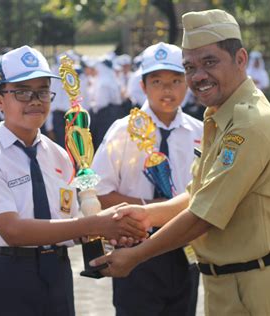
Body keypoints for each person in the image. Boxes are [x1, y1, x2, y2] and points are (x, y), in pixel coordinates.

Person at [91, 9, 270, 315]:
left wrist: (137, 255)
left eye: (209, 62)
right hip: (225, 283)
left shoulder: (248, 122)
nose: (198, 76)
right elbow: (197, 194)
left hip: (259, 286)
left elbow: (203, 214)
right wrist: (144, 214)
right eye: (190, 66)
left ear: (241, 59)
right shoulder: (218, 117)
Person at [0, 45, 149, 316]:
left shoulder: (59, 155)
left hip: (56, 272)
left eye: (41, 91)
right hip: (8, 274)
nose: (35, 100)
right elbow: (13, 230)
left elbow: (69, 224)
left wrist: (110, 229)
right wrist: (96, 223)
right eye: (23, 92)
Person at [91, 42, 202, 316]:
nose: (168, 90)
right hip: (135, 247)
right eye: (157, 81)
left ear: (187, 83)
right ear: (143, 86)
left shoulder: (199, 132)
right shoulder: (123, 131)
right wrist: (152, 207)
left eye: (176, 80)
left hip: (184, 245)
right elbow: (98, 191)